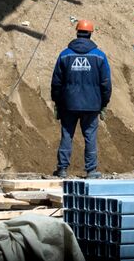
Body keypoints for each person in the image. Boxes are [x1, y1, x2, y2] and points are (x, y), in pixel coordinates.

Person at [51, 19, 111, 178]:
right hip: (92, 105)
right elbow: (105, 83)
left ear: (77, 32)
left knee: (67, 135)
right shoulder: (99, 56)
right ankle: (91, 170)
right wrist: (103, 103)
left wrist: (57, 102)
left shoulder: (65, 55)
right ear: (90, 33)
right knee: (90, 136)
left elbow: (56, 82)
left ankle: (62, 169)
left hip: (68, 104)